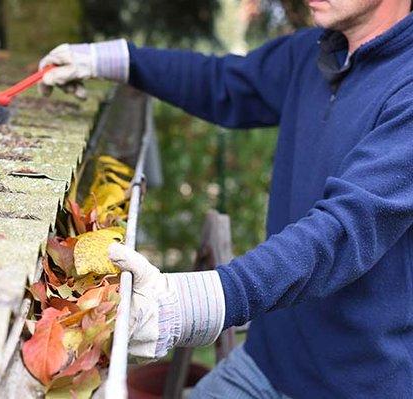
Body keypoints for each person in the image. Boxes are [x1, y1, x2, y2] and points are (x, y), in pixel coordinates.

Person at [39, 1, 413, 398]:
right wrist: (113, 58)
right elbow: (225, 83)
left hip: (356, 386)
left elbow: (345, 229)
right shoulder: (314, 53)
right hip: (265, 364)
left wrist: (195, 304)